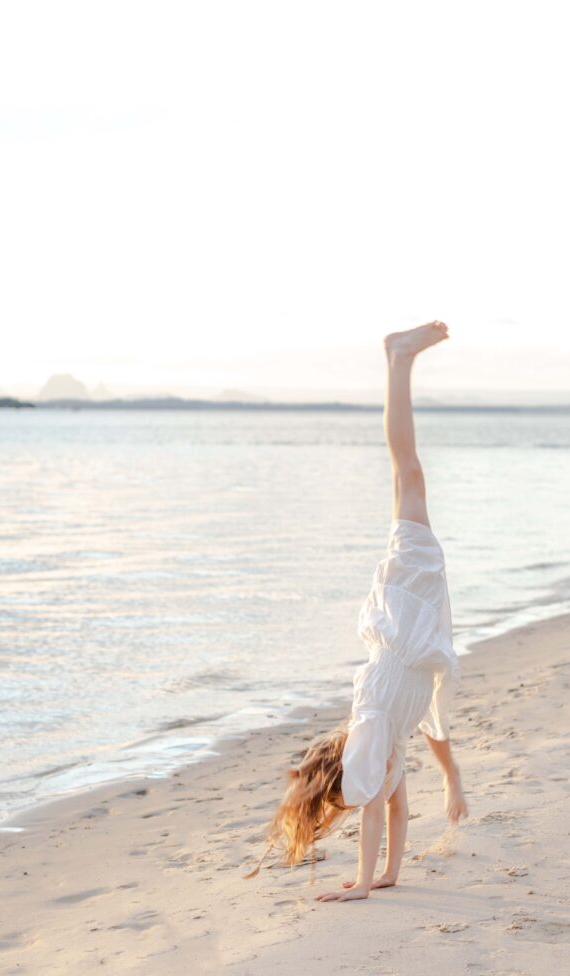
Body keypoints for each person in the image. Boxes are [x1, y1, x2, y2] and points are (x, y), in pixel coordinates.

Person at [245, 320, 468, 901]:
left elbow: (371, 808)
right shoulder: (384, 739)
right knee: (406, 475)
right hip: (412, 619)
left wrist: (364, 884)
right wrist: (392, 873)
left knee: (409, 472)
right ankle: (399, 362)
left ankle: (399, 360)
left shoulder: (370, 728)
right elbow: (395, 809)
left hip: (408, 614)